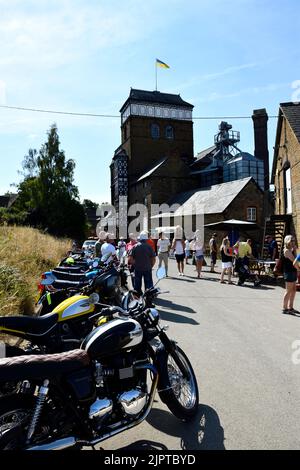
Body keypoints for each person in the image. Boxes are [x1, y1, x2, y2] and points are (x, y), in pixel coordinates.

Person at [127, 231, 156, 295]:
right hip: (147, 268)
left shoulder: (135, 246)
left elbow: (130, 259)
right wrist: (151, 266)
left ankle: (138, 297)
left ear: (140, 238)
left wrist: (135, 264)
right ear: (146, 239)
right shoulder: (149, 247)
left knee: (137, 285)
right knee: (148, 285)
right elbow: (153, 259)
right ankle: (148, 297)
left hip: (138, 268)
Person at [282, 235, 299, 314]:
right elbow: (294, 261)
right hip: (288, 272)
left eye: (294, 240)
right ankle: (284, 308)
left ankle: (290, 307)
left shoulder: (291, 250)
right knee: (288, 291)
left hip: (293, 271)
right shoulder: (287, 251)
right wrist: (299, 269)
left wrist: (295, 250)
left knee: (294, 290)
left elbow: (296, 259)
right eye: (291, 240)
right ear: (287, 241)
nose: (293, 242)